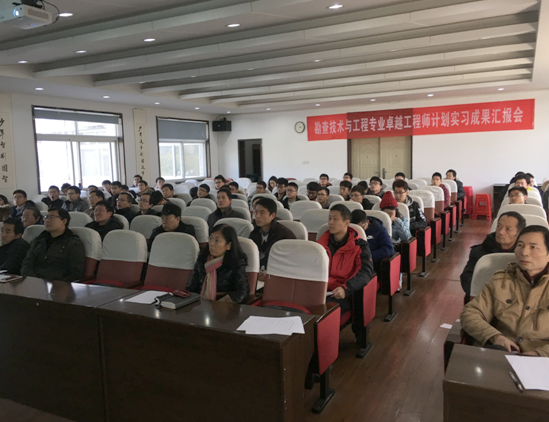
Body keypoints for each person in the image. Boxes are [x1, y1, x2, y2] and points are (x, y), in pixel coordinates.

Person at [461, 225, 549, 357]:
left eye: (533, 247)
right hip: (501, 353)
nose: (524, 252)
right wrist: (494, 336)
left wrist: (539, 354)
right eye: (520, 245)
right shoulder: (500, 281)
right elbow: (470, 313)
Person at [317, 204, 374, 320]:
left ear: (346, 223)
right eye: (329, 218)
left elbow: (365, 272)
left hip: (342, 293)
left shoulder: (360, 246)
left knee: (321, 315)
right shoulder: (320, 244)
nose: (330, 222)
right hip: (319, 290)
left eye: (335, 219)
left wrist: (346, 288)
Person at [460, 211, 526, 303]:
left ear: (518, 233)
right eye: (499, 226)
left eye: (508, 229)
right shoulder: (479, 252)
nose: (501, 232)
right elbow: (466, 278)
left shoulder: (524, 255)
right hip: (481, 300)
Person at [187, 224, 249, 304]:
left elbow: (243, 293)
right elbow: (191, 287)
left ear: (228, 245)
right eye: (211, 238)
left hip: (224, 306)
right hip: (201, 304)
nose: (211, 244)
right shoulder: (202, 259)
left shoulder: (236, 263)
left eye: (217, 240)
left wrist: (222, 303)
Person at [21, 208, 86, 282]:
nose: (47, 220)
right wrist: (33, 280)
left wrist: (59, 285)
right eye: (46, 217)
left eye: (51, 217)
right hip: (33, 282)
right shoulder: (39, 240)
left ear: (64, 221)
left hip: (58, 285)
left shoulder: (73, 243)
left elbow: (75, 272)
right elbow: (27, 263)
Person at [249, 197, 296, 280]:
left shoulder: (285, 235)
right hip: (258, 274)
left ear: (272, 215)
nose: (257, 216)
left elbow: (292, 262)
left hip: (277, 276)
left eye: (262, 213)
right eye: (256, 212)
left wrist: (272, 271)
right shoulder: (254, 232)